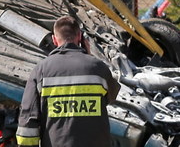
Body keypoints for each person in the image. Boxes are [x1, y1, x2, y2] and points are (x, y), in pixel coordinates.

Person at [16, 16, 120, 147]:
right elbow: (112, 96)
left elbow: (28, 117)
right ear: (80, 37)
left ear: (54, 39)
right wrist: (89, 57)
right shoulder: (98, 67)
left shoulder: (41, 70)